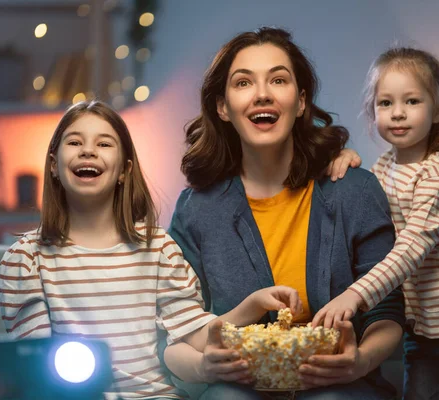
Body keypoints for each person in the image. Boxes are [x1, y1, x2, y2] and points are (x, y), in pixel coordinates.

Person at [0, 100, 305, 400]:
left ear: (124, 171)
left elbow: (193, 332)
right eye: (75, 142)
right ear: (53, 165)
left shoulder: (159, 249)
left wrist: (251, 307)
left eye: (104, 144)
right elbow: (36, 368)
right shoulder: (25, 261)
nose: (88, 150)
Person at [164, 27, 405, 400]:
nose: (263, 93)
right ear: (222, 107)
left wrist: (359, 361)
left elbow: (387, 313)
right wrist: (203, 366)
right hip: (239, 387)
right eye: (243, 83)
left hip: (339, 386)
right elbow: (176, 330)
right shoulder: (197, 210)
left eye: (278, 79)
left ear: (302, 100)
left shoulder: (354, 191)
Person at [313, 47, 439, 399]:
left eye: (412, 101)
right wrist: (348, 157)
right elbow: (372, 214)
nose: (398, 113)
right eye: (386, 103)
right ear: (373, 112)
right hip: (421, 326)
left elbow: (408, 251)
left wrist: (355, 295)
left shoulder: (436, 179)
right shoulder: (384, 167)